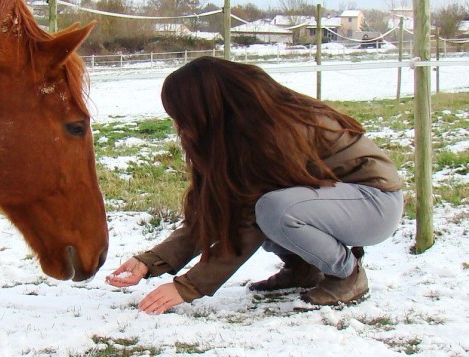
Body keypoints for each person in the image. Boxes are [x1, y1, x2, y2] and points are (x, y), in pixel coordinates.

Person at [106, 56, 403, 315]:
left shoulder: (274, 131)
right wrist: (151, 261)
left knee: (274, 209)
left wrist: (189, 287)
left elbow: (249, 221)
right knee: (269, 207)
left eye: (182, 116)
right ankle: (302, 269)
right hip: (329, 204)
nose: (179, 126)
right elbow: (212, 213)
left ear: (206, 108)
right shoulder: (234, 136)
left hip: (374, 204)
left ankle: (348, 275)